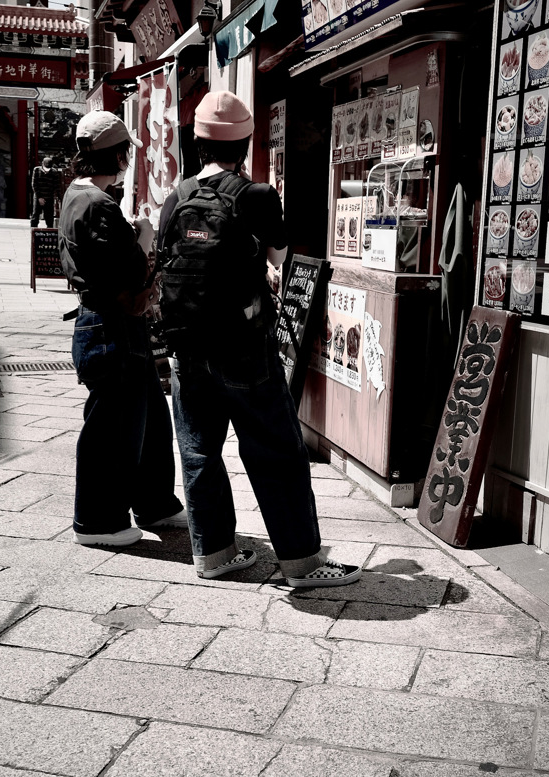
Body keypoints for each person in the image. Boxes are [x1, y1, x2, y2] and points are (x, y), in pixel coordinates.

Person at [157, 91, 363, 587]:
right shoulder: (256, 196)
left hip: (186, 346)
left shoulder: (176, 196)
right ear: (246, 143)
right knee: (276, 451)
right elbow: (277, 260)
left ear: (198, 142)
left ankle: (214, 555)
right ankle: (302, 563)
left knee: (199, 451)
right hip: (242, 348)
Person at [59, 110, 186, 546]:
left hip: (107, 324)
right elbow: (131, 271)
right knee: (112, 429)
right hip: (109, 327)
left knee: (147, 419)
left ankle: (155, 503)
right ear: (118, 154)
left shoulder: (79, 196)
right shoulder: (98, 204)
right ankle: (97, 521)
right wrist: (145, 235)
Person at [30, 157, 61, 228]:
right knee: (35, 216)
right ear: (42, 164)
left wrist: (59, 197)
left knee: (49, 218)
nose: (47, 170)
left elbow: (57, 185)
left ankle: (49, 233)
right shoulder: (37, 170)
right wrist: (39, 197)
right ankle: (33, 232)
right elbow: (34, 184)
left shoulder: (54, 172)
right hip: (38, 197)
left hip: (49, 197)